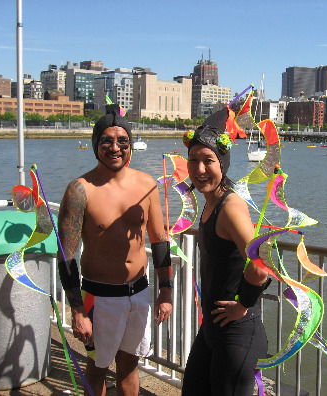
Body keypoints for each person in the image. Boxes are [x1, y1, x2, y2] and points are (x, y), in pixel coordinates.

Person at [57, 104, 173, 396]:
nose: (115, 147)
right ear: (96, 145)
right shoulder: (80, 189)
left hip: (139, 293)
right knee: (97, 367)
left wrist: (166, 292)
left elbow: (159, 240)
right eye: (106, 140)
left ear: (131, 145)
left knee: (130, 365)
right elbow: (66, 256)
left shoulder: (147, 184)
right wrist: (77, 310)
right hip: (99, 297)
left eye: (123, 141)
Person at [181, 109, 271, 396]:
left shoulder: (230, 206)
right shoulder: (209, 202)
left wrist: (243, 304)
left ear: (223, 164)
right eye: (193, 160)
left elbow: (261, 262)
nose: (199, 169)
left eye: (208, 161)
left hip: (237, 332)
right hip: (214, 329)